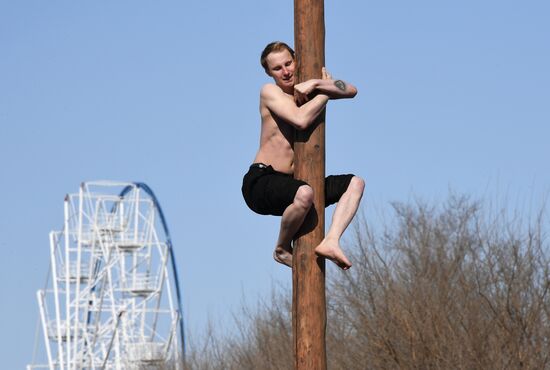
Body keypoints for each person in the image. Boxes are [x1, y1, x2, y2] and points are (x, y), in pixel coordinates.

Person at [241, 41, 364, 270]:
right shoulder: (270, 92)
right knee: (305, 193)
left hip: (293, 186)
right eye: (277, 68)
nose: (286, 71)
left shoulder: (310, 89)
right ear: (269, 72)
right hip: (261, 181)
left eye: (288, 63)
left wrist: (319, 83)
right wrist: (325, 93)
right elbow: (300, 119)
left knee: (355, 184)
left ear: (296, 60)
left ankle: (331, 241)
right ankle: (281, 248)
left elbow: (351, 90)